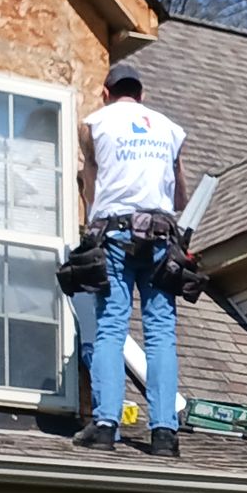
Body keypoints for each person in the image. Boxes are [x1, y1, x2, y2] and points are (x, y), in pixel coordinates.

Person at [73, 60, 188, 455]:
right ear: (141, 95)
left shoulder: (95, 124)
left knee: (110, 327)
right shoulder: (169, 130)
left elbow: (89, 183)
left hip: (116, 233)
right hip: (159, 235)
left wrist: (91, 225)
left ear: (106, 93)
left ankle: (105, 426)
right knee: (160, 334)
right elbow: (179, 198)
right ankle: (164, 435)